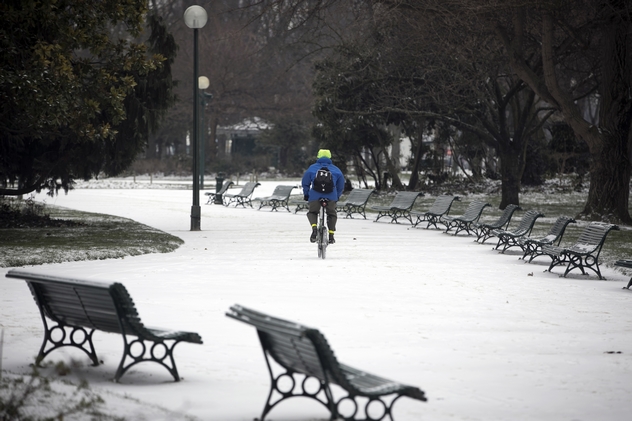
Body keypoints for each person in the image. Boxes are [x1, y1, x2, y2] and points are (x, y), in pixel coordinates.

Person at [301, 149, 345, 244]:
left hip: (315, 195)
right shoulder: (336, 170)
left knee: (312, 212)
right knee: (332, 214)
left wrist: (306, 194)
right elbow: (341, 186)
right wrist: (336, 196)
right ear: (330, 157)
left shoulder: (312, 168)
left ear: (318, 157)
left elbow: (305, 183)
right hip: (331, 196)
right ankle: (331, 235)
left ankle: (314, 228)